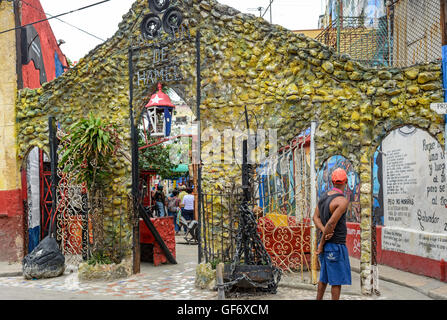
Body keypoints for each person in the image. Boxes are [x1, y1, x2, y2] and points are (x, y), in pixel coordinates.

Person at [312, 168, 351, 300]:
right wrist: (321, 244)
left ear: (332, 181)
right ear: (345, 182)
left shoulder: (324, 197)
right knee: (336, 281)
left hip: (327, 244)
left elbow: (315, 218)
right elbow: (331, 224)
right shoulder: (342, 201)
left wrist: (322, 232)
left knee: (324, 277)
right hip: (335, 245)